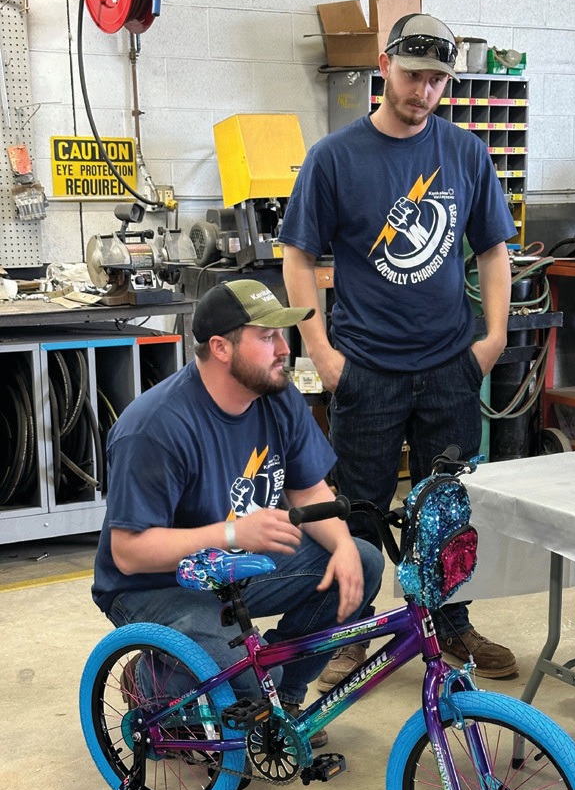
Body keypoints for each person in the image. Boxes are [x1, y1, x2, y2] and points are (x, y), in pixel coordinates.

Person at [279, 11, 518, 688]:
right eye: (414, 76)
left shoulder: (467, 152)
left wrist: (492, 337)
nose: (424, 92)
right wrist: (321, 351)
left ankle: (447, 624)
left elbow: (494, 250)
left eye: (438, 80)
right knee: (357, 506)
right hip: (367, 367)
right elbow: (298, 257)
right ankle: (350, 632)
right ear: (385, 66)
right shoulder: (336, 156)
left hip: (449, 365)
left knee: (446, 505)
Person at [92, 279, 385, 748]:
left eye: (281, 336)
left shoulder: (278, 396)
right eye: (267, 337)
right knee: (241, 676)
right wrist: (232, 533)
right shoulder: (154, 428)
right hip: (155, 585)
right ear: (220, 348)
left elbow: (309, 491)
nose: (284, 349)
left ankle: (285, 702)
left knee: (363, 562)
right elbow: (128, 554)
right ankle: (150, 685)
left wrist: (345, 547)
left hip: (235, 567)